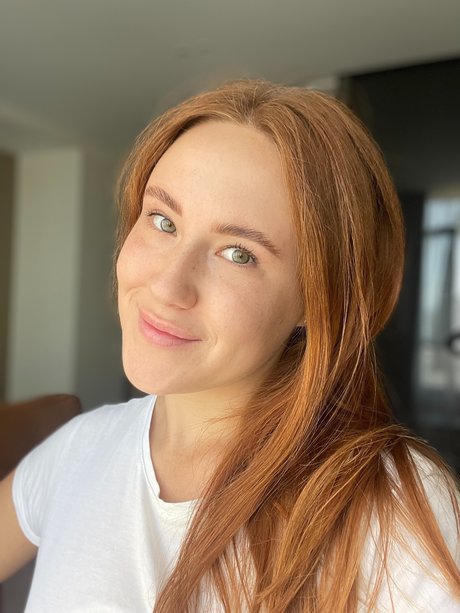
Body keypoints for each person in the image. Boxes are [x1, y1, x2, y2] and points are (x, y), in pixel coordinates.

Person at [0, 78, 459, 612]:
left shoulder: (395, 511)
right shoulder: (79, 451)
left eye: (239, 253)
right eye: (163, 221)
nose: (168, 287)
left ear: (316, 300)